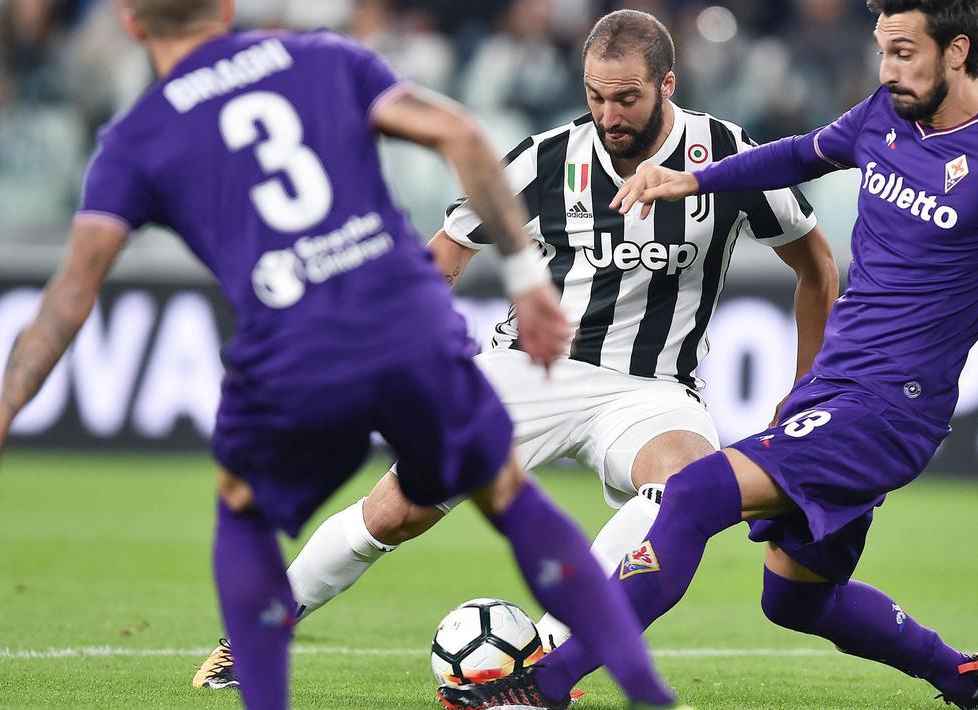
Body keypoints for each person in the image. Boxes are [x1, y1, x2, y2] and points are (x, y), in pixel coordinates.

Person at [0, 2, 687, 709]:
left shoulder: (138, 139)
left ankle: (256, 660)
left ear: (130, 23)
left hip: (292, 339)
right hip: (405, 314)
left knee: (244, 513)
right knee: (505, 493)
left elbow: (71, 294)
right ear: (227, 10)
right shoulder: (321, 58)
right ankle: (638, 686)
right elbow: (460, 136)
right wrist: (527, 280)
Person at [440, 1, 978, 709]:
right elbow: (799, 153)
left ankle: (544, 685)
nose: (886, 71)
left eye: (903, 54)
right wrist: (691, 179)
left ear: (956, 51)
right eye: (882, 52)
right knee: (794, 599)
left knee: (691, 493)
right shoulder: (882, 117)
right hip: (834, 389)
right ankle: (964, 677)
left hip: (890, 408)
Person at [191, 8, 838, 690]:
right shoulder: (544, 158)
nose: (608, 113)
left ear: (667, 85)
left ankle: (546, 662)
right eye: (595, 96)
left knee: (684, 485)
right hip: (530, 370)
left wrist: (801, 392)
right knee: (396, 512)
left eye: (626, 98)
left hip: (650, 389)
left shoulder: (726, 156)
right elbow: (445, 254)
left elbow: (816, 267)